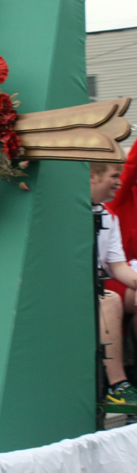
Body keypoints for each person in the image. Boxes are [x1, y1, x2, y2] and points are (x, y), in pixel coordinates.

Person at [91, 162, 137, 404]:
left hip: (99, 285)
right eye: (113, 176)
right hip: (76, 289)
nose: (119, 181)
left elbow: (118, 266)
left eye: (121, 176)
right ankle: (118, 385)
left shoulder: (109, 216)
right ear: (92, 177)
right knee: (110, 300)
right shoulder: (69, 212)